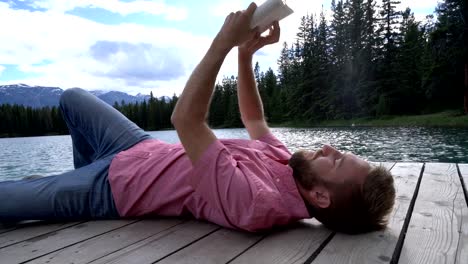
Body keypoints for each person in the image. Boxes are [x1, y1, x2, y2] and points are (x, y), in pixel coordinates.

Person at [0, 3, 395, 234]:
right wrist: (245, 55)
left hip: (114, 189)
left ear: (321, 196)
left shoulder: (255, 202)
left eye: (337, 159)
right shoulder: (291, 166)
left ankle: (70, 189)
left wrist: (222, 43)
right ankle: (65, 182)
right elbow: (254, 118)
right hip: (139, 147)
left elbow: (186, 121)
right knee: (71, 98)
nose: (328, 148)